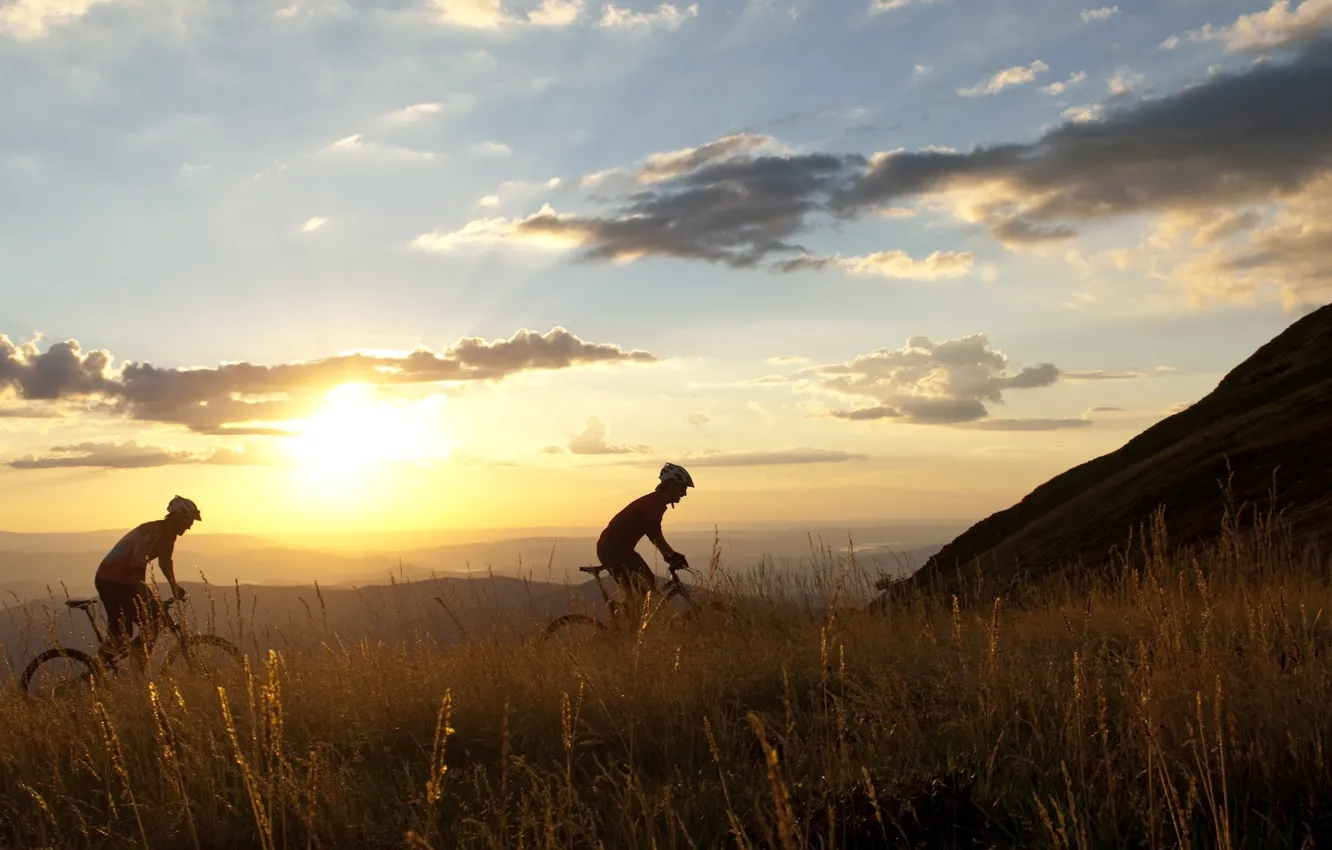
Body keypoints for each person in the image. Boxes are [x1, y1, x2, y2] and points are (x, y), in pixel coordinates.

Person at [94, 496, 201, 664]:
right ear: (178, 517)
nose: (190, 526)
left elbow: (165, 562)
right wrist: (147, 599)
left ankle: (137, 661)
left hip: (126, 581)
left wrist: (174, 586)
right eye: (189, 521)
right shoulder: (152, 533)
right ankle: (97, 670)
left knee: (154, 621)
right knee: (122, 633)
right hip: (110, 580)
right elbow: (137, 568)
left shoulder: (169, 534)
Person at [597, 463, 694, 600]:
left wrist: (670, 555)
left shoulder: (655, 502)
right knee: (644, 590)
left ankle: (631, 617)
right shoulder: (653, 504)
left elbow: (654, 535)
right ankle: (629, 619)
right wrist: (672, 555)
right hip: (614, 550)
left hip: (617, 549)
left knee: (646, 587)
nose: (684, 493)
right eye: (683, 488)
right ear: (672, 486)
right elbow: (655, 536)